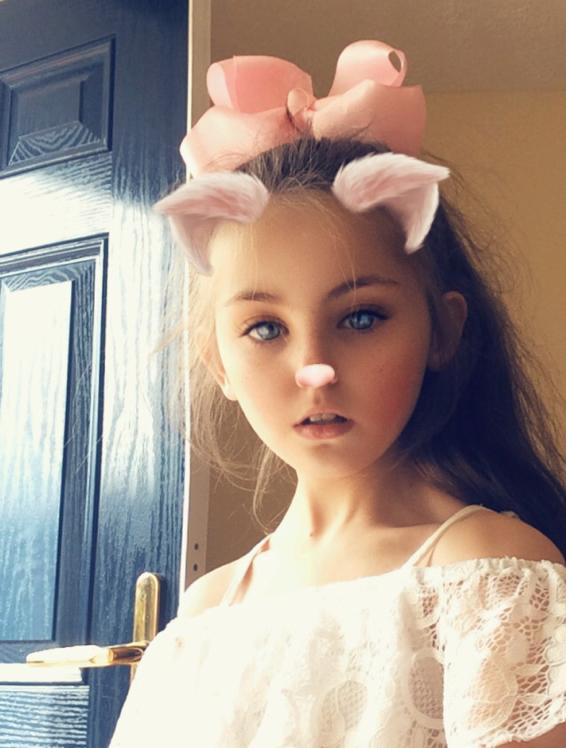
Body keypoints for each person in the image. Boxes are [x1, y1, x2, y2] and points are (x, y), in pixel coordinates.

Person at [109, 40, 566, 747]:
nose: (314, 367)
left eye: (361, 318)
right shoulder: (201, 617)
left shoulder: (487, 576)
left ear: (443, 330)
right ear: (218, 362)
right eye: (265, 328)